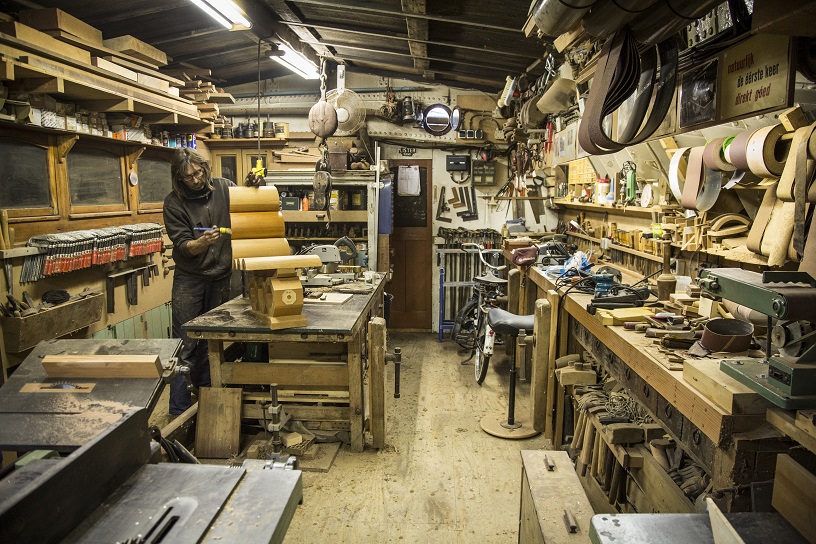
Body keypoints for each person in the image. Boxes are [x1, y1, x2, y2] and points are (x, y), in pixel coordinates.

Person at [163, 148, 233, 415]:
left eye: (197, 172)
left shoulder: (224, 188)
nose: (194, 180)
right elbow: (182, 246)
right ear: (179, 179)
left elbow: (249, 199)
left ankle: (206, 397)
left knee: (210, 340)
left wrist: (254, 183)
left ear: (204, 167)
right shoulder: (174, 203)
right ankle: (178, 410)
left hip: (221, 275)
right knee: (185, 342)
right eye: (187, 177)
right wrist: (200, 244)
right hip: (190, 280)